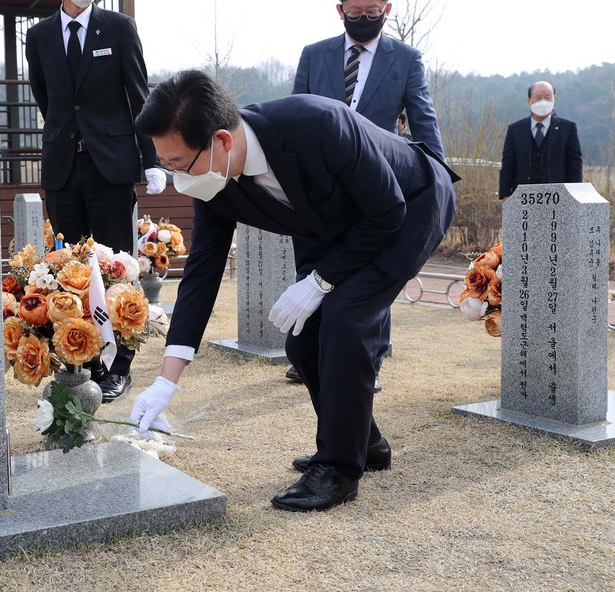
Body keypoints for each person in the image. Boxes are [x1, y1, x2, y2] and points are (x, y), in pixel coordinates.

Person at [128, 70, 457, 512]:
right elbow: (202, 274)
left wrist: (320, 282)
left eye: (178, 163)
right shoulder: (214, 182)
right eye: (164, 164)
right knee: (302, 341)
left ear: (222, 141)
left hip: (408, 205)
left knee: (345, 316)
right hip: (335, 231)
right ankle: (367, 442)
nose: (175, 176)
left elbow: (387, 211)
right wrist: (166, 382)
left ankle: (339, 468)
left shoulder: (316, 122)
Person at [286, 0, 445, 390]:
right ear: (340, 10)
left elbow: (423, 119)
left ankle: (368, 358)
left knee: (372, 269)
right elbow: (295, 113)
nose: (363, 18)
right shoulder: (314, 54)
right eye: (354, 11)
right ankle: (311, 350)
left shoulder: (406, 60)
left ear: (386, 10)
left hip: (378, 182)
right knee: (315, 265)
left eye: (372, 10)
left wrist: (439, 180)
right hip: (320, 184)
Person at [25, 0, 166, 402]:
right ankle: (80, 359)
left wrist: (150, 160)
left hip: (111, 169)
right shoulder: (40, 36)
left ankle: (119, 366)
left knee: (116, 268)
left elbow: (139, 96)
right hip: (64, 169)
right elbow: (47, 100)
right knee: (69, 272)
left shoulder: (119, 28)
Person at [498, 81, 582, 200]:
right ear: (529, 101)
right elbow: (508, 164)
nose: (543, 101)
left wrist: (575, 195)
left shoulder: (568, 128)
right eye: (538, 98)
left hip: (559, 198)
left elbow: (575, 165)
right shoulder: (515, 130)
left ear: (554, 99)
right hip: (522, 197)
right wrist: (505, 194)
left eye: (547, 97)